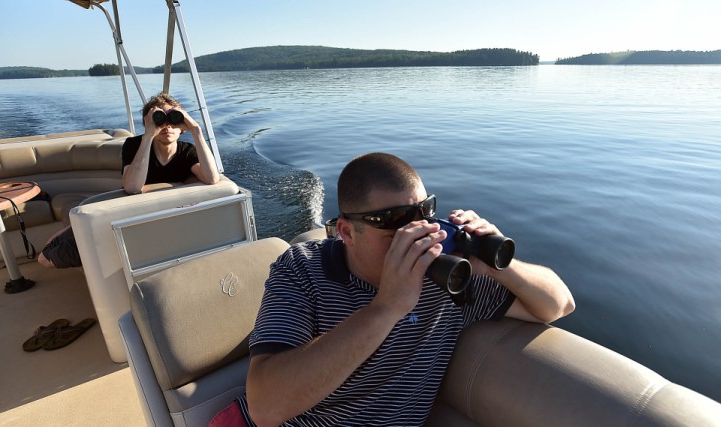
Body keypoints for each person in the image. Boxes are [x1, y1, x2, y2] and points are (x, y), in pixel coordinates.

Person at [234, 152, 575, 426]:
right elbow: (266, 407)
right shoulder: (303, 268)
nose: (417, 244)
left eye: (423, 222)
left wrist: (500, 266)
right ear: (347, 232)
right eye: (396, 236)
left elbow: (558, 305)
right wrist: (386, 308)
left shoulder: (446, 279)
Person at [38, 92, 220, 268]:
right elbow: (132, 187)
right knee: (45, 258)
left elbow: (212, 178)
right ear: (149, 123)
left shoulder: (187, 152)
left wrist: (196, 129)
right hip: (125, 216)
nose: (167, 126)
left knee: (47, 255)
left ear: (182, 126)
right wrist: (149, 136)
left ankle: (70, 231)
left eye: (174, 119)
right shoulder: (134, 145)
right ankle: (68, 230)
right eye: (159, 119)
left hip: (155, 223)